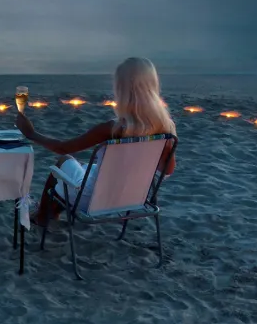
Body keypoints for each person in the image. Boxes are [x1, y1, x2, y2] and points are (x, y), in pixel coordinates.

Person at [15, 57, 176, 226]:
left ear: (122, 89)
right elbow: (167, 171)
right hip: (134, 198)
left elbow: (62, 147)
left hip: (95, 201)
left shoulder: (112, 129)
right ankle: (50, 212)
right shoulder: (166, 130)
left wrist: (31, 133)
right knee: (86, 169)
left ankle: (42, 216)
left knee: (65, 161)